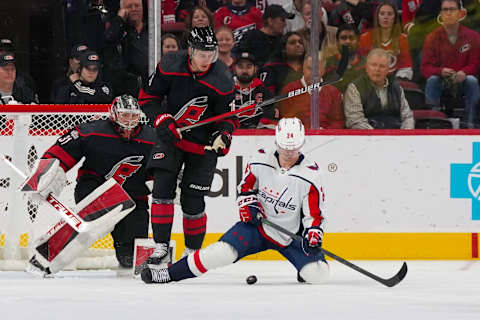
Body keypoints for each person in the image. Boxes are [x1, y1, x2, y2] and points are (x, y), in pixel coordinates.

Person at [141, 117, 329, 285]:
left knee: (317, 276)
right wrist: (249, 205)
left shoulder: (310, 175)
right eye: (284, 147)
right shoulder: (261, 159)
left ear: (302, 143)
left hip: (290, 235)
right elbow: (244, 188)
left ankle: (304, 269)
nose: (289, 153)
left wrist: (313, 234)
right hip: (256, 227)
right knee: (220, 252)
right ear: (276, 141)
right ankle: (168, 274)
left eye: (293, 148)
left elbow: (314, 214)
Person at [137, 26, 238, 264]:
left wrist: (223, 135)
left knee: (193, 201)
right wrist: (162, 120)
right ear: (190, 51)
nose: (206, 59)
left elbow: (228, 118)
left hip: (201, 146)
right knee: (162, 189)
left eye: (211, 53)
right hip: (171, 139)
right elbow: (147, 98)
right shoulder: (170, 65)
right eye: (202, 53)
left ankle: (192, 253)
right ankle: (161, 246)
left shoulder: (222, 78)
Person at [23, 95, 156, 275]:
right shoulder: (93, 131)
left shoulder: (152, 137)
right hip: (95, 189)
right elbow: (59, 152)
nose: (130, 120)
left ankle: (133, 263)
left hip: (133, 196)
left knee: (129, 258)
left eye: (133, 115)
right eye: (125, 115)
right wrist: (44, 176)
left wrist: (168, 183)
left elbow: (162, 166)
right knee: (85, 230)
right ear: (114, 114)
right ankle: (42, 259)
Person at [420, 0, 480, 128]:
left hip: (463, 80)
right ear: (441, 14)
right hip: (442, 80)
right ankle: (433, 122)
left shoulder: (473, 36)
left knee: (472, 81)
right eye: (445, 10)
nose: (448, 13)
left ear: (460, 13)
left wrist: (464, 72)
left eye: (452, 9)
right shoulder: (431, 38)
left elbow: (475, 63)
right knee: (432, 80)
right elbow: (425, 67)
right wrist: (440, 71)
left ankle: (470, 124)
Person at [343, 48, 415, 129]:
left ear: (388, 69)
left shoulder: (397, 88)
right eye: (373, 65)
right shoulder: (354, 88)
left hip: (396, 136)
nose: (377, 69)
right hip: (368, 138)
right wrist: (378, 138)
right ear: (366, 67)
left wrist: (404, 135)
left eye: (382, 66)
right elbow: (355, 121)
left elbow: (407, 117)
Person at [279, 54, 345, 129]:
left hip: (326, 138)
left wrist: (324, 133)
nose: (313, 73)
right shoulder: (289, 90)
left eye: (316, 69)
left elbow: (338, 123)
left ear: (323, 71)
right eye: (309, 68)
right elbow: (286, 122)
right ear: (303, 69)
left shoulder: (333, 92)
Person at [358, 1, 414, 80]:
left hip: (394, 83)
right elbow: (361, 67)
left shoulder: (402, 39)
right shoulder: (365, 38)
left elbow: (406, 68)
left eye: (390, 14)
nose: (386, 17)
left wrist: (395, 82)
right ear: (377, 17)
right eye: (382, 13)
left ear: (395, 18)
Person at [103, 0, 148, 95]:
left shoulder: (151, 29)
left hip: (151, 83)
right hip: (128, 86)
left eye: (137, 6)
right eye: (129, 6)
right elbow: (108, 38)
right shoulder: (119, 30)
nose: (134, 9)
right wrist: (120, 18)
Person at [233, 51, 277, 128]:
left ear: (255, 69)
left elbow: (270, 113)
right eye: (240, 67)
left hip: (258, 134)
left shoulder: (264, 91)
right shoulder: (227, 91)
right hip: (233, 133)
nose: (244, 71)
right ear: (234, 69)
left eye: (248, 66)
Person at [324, 23, 366, 93]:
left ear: (358, 41)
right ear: (337, 42)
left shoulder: (367, 65)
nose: (347, 41)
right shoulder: (328, 64)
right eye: (343, 38)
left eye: (351, 38)